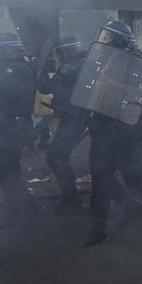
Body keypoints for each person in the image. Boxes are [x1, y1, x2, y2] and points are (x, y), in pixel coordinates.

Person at [77, 21, 142, 247]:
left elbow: (137, 102)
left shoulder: (136, 65)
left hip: (123, 131)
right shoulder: (101, 62)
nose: (103, 41)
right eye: (103, 36)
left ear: (119, 41)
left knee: (132, 172)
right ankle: (99, 230)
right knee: (101, 181)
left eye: (108, 37)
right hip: (102, 129)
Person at [0, 32, 41, 226]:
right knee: (7, 169)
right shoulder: (10, 67)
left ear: (5, 49)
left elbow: (0, 93)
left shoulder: (17, 69)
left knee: (4, 169)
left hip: (13, 126)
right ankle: (16, 206)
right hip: (7, 125)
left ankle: (26, 206)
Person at [38, 37, 90, 215]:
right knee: (59, 157)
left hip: (74, 118)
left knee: (56, 157)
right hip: (79, 117)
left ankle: (72, 199)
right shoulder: (86, 63)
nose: (58, 56)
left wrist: (42, 72)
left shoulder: (69, 67)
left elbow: (50, 89)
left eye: (59, 53)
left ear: (66, 52)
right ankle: (72, 198)